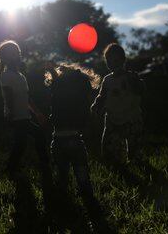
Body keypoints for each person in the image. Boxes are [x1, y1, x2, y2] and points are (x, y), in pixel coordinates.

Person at [45, 62, 108, 232]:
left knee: (62, 175)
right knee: (82, 176)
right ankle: (89, 202)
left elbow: (56, 87)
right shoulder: (77, 102)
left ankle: (63, 203)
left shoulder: (57, 95)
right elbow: (85, 121)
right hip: (74, 140)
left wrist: (52, 70)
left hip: (57, 141)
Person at [0, 39, 52, 199]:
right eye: (11, 54)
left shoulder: (21, 76)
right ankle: (16, 167)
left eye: (17, 53)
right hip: (16, 117)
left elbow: (27, 99)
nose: (16, 56)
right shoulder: (6, 75)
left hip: (24, 116)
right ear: (5, 58)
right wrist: (11, 114)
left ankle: (32, 164)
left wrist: (38, 113)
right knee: (24, 141)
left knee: (26, 141)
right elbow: (8, 97)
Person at [91, 43, 145, 165]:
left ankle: (136, 162)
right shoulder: (107, 79)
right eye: (109, 61)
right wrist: (96, 104)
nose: (112, 64)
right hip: (112, 119)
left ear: (123, 60)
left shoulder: (131, 77)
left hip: (132, 118)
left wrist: (137, 83)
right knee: (109, 149)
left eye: (116, 60)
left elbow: (141, 91)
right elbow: (102, 95)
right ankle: (116, 165)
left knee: (134, 149)